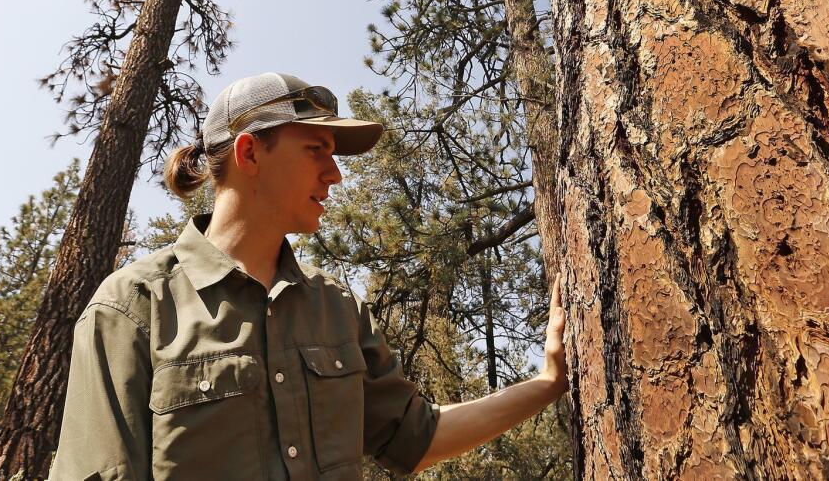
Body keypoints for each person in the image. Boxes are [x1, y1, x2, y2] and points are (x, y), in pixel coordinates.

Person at [50, 72, 569, 480]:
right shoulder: (132, 305)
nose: (335, 173)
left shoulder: (337, 308)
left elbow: (418, 436)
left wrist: (547, 385)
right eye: (315, 150)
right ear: (250, 152)